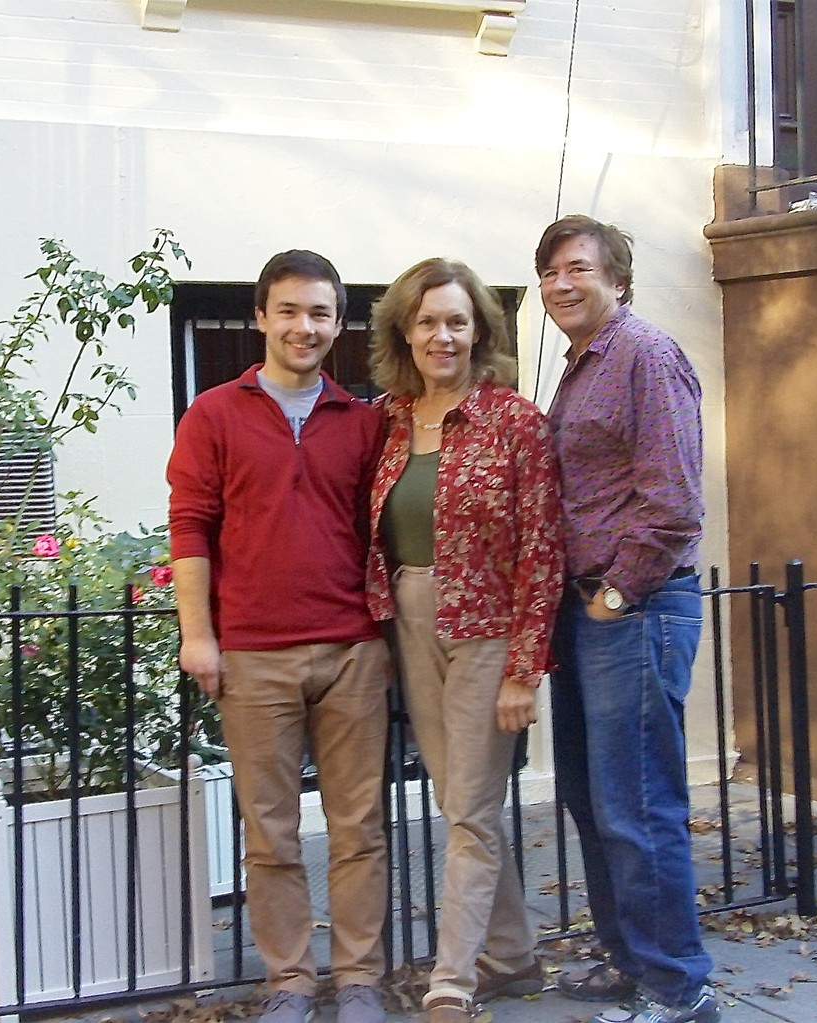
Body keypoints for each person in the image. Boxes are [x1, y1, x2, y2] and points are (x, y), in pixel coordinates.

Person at [167, 250, 390, 1023]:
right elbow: (190, 527)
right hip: (253, 655)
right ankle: (289, 980)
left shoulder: (363, 422)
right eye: (289, 310)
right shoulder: (214, 414)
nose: (305, 326)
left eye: (321, 313)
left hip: (353, 650)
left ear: (338, 322)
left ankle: (359, 974)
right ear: (261, 316)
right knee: (270, 833)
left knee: (360, 827)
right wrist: (198, 634)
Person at [362, 258, 564, 1023]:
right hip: (411, 616)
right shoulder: (383, 420)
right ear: (404, 332)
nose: (442, 335)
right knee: (459, 800)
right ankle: (512, 955)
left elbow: (543, 550)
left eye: (456, 320)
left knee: (471, 808)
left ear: (479, 329)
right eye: (426, 321)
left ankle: (453, 978)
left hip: (485, 627)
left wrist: (524, 670)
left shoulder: (514, 420)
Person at [535, 216, 721, 1023]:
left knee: (639, 806)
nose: (560, 283)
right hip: (587, 616)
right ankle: (633, 964)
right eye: (548, 272)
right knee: (593, 798)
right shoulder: (583, 368)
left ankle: (679, 990)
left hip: (636, 608)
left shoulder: (646, 354)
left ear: (618, 279)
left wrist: (616, 594)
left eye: (577, 267)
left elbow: (674, 501)